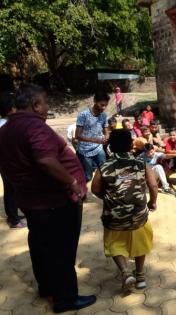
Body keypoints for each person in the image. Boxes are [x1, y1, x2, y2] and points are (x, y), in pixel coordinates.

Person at [0, 84, 96, 313]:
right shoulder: (34, 126)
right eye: (45, 102)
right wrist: (72, 183)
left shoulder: (5, 130)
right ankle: (65, 299)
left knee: (40, 244)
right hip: (56, 202)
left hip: (32, 201)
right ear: (35, 105)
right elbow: (45, 160)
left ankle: (47, 287)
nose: (47, 107)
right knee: (62, 250)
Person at [91, 130, 157, 291]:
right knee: (140, 242)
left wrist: (108, 198)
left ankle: (126, 273)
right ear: (130, 145)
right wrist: (152, 202)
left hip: (114, 217)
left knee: (114, 244)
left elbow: (95, 189)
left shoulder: (104, 166)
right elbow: (153, 186)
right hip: (138, 216)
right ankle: (140, 277)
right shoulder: (141, 163)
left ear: (111, 146)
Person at [0, 92, 25, 229]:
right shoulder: (7, 126)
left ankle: (14, 214)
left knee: (13, 190)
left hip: (7, 163)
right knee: (11, 190)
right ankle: (13, 220)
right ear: (11, 109)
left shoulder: (4, 123)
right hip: (9, 163)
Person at [75, 91, 109, 182]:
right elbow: (77, 135)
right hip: (84, 150)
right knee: (88, 176)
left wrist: (106, 136)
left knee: (105, 172)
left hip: (98, 148)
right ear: (95, 101)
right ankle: (81, 192)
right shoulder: (84, 115)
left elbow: (106, 131)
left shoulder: (104, 116)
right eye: (102, 105)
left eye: (106, 105)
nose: (104, 108)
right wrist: (95, 140)